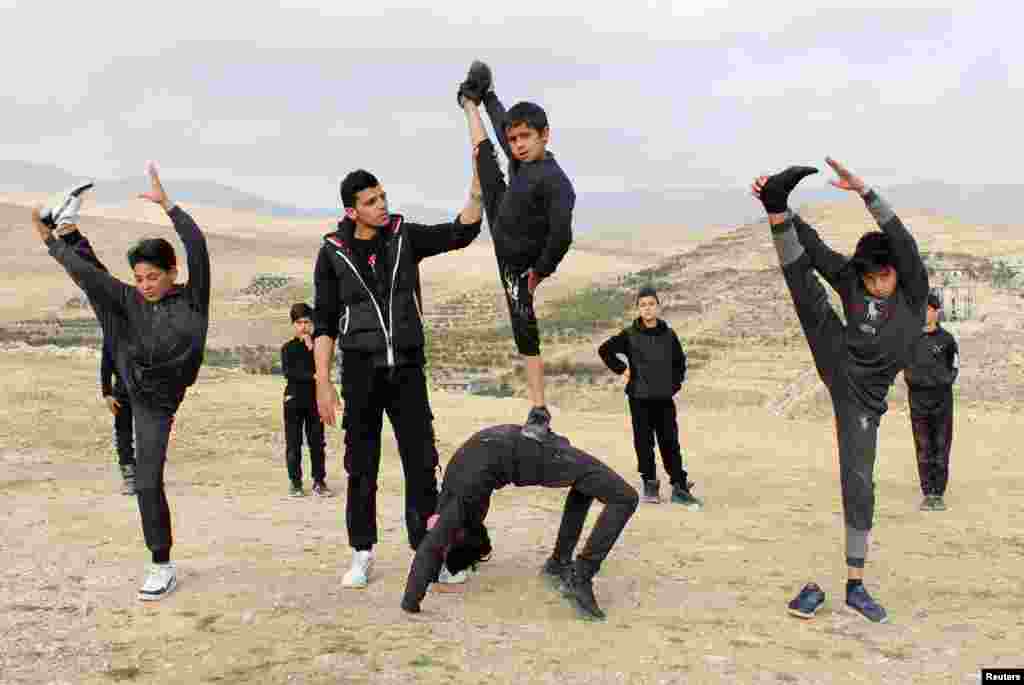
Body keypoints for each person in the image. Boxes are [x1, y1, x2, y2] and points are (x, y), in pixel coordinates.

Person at [751, 158, 929, 624]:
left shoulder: (912, 289)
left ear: (896, 271)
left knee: (859, 482)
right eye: (868, 280)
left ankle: (855, 584)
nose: (875, 287)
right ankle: (775, 206)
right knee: (805, 290)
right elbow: (814, 250)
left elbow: (904, 242)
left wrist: (866, 192)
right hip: (838, 358)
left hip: (862, 400)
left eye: (882, 278)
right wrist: (781, 210)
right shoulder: (853, 279)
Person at [33, 161, 210, 601]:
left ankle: (70, 227)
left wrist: (169, 206)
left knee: (103, 294)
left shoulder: (194, 298)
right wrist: (50, 244)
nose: (146, 284)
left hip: (160, 401)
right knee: (100, 289)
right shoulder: (132, 298)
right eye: (140, 278)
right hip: (135, 381)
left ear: (172, 273)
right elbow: (90, 276)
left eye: (154, 276)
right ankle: (161, 564)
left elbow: (197, 246)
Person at [313, 166, 483, 589]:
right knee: (361, 465)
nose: (382, 205)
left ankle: (431, 552)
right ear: (353, 211)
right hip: (360, 373)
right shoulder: (333, 253)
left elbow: (458, 233)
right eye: (371, 201)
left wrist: (478, 194)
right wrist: (322, 381)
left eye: (383, 196)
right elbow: (325, 324)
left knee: (421, 462)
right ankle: (362, 552)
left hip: (406, 370)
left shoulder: (406, 237)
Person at [400, 425, 638, 621]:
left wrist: (413, 599)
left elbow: (434, 543)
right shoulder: (460, 497)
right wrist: (410, 602)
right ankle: (580, 575)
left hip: (534, 445)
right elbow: (433, 545)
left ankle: (560, 564)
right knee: (625, 497)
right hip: (534, 449)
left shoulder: (457, 504)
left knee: (584, 481)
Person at [457, 60, 576, 441]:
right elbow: (503, 126)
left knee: (524, 325)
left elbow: (561, 236)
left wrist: (539, 272)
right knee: (483, 152)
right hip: (499, 212)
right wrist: (490, 99)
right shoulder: (521, 163)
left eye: (526, 137)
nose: (519, 144)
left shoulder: (557, 183)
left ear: (545, 136)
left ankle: (539, 409)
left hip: (517, 262)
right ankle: (472, 100)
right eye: (515, 139)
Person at [43, 182, 138, 496]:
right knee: (94, 277)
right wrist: (107, 390)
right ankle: (65, 229)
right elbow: (109, 352)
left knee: (91, 277)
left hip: (143, 383)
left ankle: (64, 229)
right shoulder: (125, 320)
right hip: (125, 381)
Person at [597, 286, 701, 508]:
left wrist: (674, 385)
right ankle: (650, 485)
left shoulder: (669, 334)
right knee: (644, 443)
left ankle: (679, 486)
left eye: (651, 304)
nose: (647, 308)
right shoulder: (629, 335)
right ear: (638, 309)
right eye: (643, 305)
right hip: (639, 398)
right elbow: (604, 350)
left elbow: (679, 363)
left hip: (664, 399)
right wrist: (622, 370)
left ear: (658, 307)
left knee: (670, 442)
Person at [905, 293, 958, 511]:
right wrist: (913, 379)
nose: (924, 313)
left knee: (941, 446)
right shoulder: (910, 338)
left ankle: (939, 493)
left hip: (942, 401)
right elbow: (903, 364)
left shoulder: (947, 340)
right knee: (923, 447)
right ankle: (928, 493)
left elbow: (954, 367)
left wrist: (941, 382)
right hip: (918, 401)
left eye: (928, 309)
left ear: (936, 311)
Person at [281, 302, 332, 498]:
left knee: (317, 442)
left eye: (307, 322)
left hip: (314, 400)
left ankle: (319, 481)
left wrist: (312, 349)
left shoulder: (318, 348)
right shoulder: (288, 348)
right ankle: (295, 483)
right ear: (293, 324)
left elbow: (323, 370)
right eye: (299, 322)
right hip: (294, 400)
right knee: (293, 443)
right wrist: (312, 376)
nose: (303, 326)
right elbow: (289, 372)